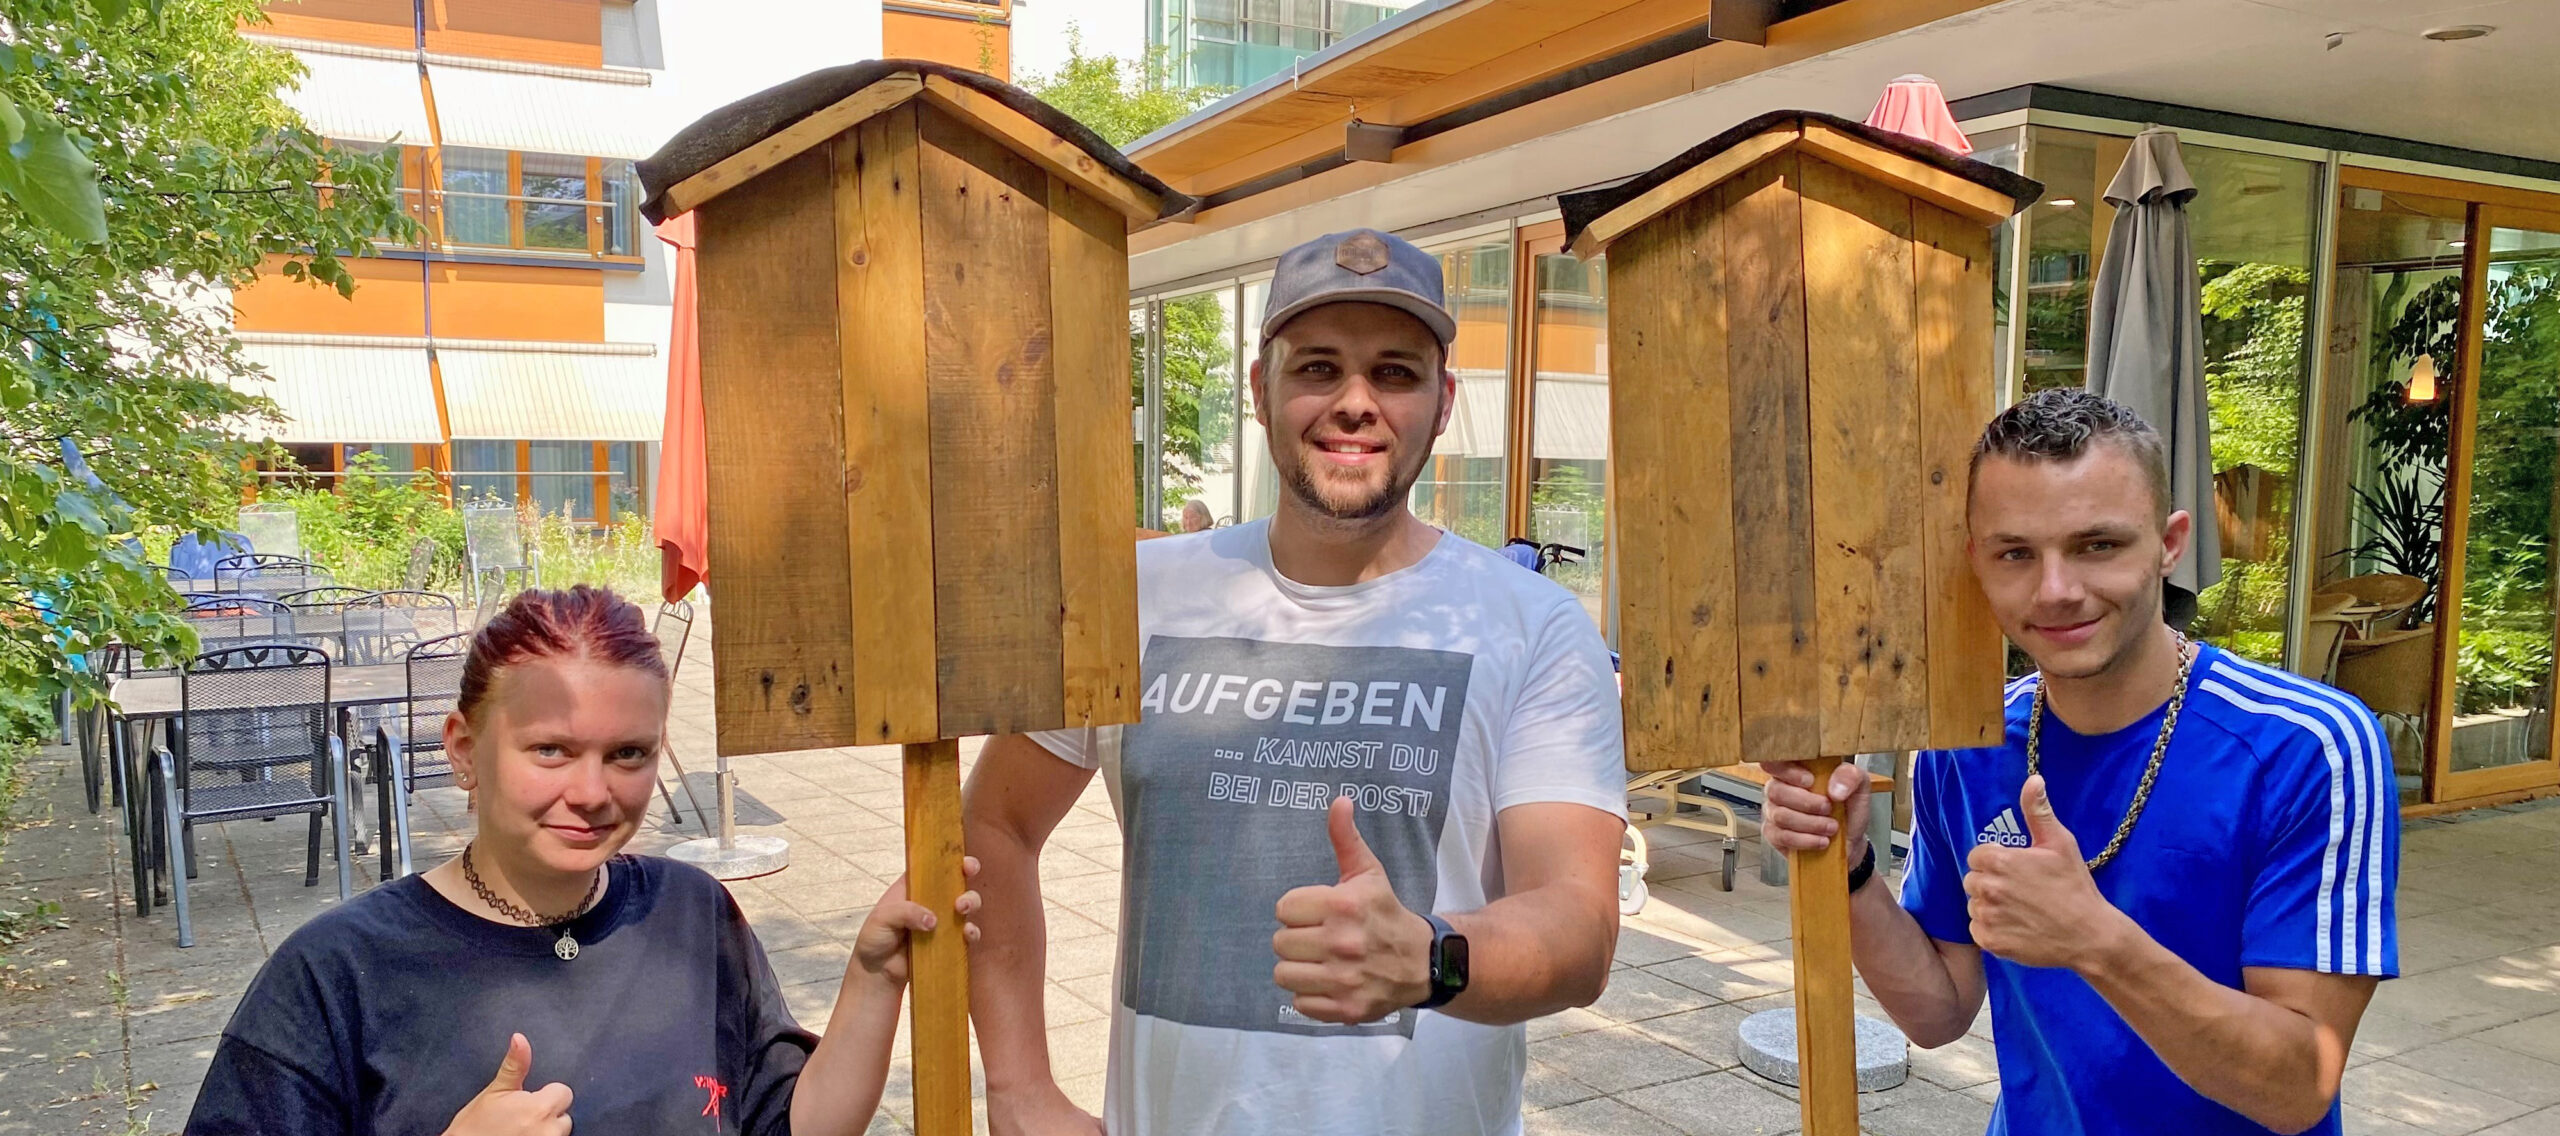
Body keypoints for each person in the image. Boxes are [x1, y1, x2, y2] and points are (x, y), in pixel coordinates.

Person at [966, 228, 1627, 1136]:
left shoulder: (1533, 627)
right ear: (1260, 390)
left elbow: (1581, 925)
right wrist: (1017, 1087)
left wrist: (1434, 957)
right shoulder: (1135, 598)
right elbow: (995, 825)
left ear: (1442, 406)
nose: (1355, 403)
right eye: (1317, 368)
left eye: (1395, 374)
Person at [1762, 389, 2398, 1136]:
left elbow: (2297, 1087)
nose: (2056, 591)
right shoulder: (1963, 747)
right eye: (2016, 554)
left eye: (2097, 545)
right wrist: (1853, 870)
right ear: (1976, 560)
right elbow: (1937, 1012)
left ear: (2169, 543)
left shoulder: (2306, 748)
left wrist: (2095, 940)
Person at [184, 586, 979, 1136]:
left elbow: (793, 1123)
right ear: (464, 750)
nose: (592, 792)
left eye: (628, 753)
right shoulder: (335, 974)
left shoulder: (692, 913)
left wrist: (874, 980)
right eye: (551, 750)